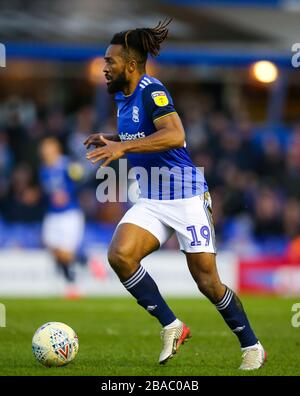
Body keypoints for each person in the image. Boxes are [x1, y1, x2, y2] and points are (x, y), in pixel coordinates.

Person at [84, 19, 266, 370]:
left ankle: (252, 345)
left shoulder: (153, 91)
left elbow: (174, 134)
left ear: (131, 65)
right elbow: (143, 136)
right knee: (120, 256)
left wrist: (123, 149)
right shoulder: (123, 100)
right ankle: (172, 325)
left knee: (208, 282)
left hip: (185, 197)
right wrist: (113, 140)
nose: (105, 68)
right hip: (152, 199)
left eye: (110, 61)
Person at [40, 137, 85, 298]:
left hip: (69, 213)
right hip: (52, 214)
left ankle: (72, 283)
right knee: (51, 245)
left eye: (48, 149)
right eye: (43, 150)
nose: (45, 153)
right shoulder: (44, 169)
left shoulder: (66, 164)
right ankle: (83, 260)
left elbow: (80, 180)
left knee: (66, 252)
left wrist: (69, 192)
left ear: (56, 149)